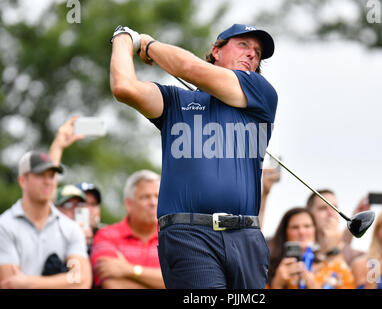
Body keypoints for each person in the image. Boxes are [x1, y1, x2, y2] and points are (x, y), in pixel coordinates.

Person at [109, 23, 277, 288]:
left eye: (257, 51)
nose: (252, 54)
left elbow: (190, 69)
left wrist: (148, 44)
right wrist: (123, 38)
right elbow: (125, 88)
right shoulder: (175, 101)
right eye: (243, 45)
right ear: (216, 51)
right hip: (188, 236)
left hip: (246, 237)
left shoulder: (260, 93)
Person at [0, 151, 92, 288]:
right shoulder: (4, 225)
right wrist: (65, 281)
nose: (48, 181)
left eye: (52, 175)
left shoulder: (71, 228)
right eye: (40, 175)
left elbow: (82, 282)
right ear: (22, 180)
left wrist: (27, 282)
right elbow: (9, 283)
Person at [90, 170, 164, 289]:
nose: (153, 203)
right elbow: (112, 285)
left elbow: (184, 281)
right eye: (145, 197)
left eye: (157, 196)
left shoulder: (173, 237)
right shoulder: (106, 235)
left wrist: (130, 270)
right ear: (129, 204)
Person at [267, 207, 355, 289]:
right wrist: (277, 283)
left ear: (315, 230)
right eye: (295, 227)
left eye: (307, 226)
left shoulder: (333, 265)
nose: (302, 231)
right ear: (285, 232)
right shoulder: (271, 265)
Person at [306, 189, 364, 267]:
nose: (331, 213)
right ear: (309, 214)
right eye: (323, 208)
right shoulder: (304, 256)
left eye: (334, 207)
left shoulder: (358, 258)